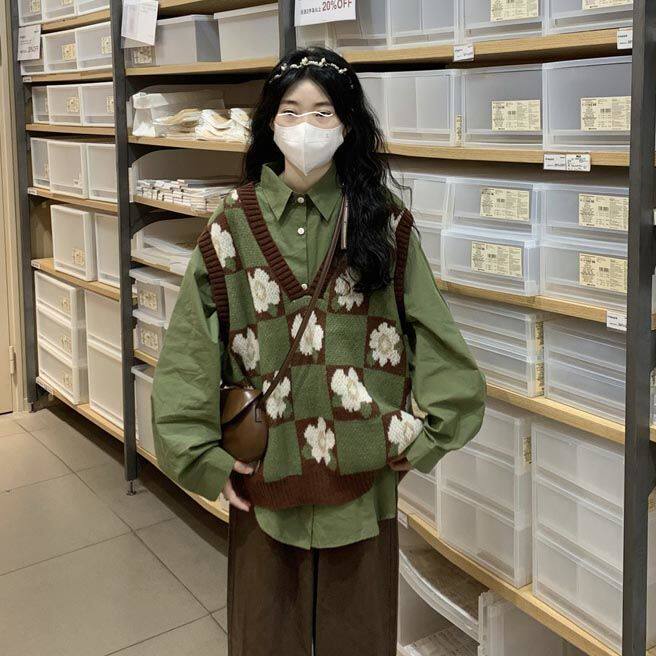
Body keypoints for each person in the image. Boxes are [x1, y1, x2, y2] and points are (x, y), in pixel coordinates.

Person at [151, 46, 486, 656]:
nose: (305, 126)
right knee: (264, 642)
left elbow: (435, 337)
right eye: (291, 111)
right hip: (263, 484)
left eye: (323, 112)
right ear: (269, 124)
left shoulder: (384, 224)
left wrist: (428, 438)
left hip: (361, 490)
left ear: (347, 125)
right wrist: (201, 457)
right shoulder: (230, 228)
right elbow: (190, 351)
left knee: (359, 641)